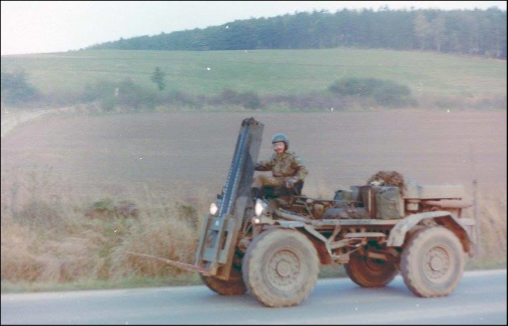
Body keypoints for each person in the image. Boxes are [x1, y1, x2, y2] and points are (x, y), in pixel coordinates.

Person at [251, 133, 308, 200]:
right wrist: (251, 164)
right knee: (252, 180)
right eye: (275, 145)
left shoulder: (292, 157)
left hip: (286, 182)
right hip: (276, 180)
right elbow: (265, 165)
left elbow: (304, 169)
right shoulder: (275, 157)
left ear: (285, 145)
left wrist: (294, 179)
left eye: (280, 145)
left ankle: (254, 199)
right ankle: (254, 199)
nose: (278, 147)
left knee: (261, 178)